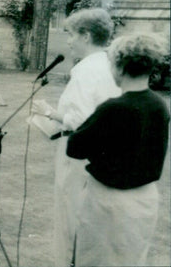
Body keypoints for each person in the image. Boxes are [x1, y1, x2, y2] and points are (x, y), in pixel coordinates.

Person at [29, 8, 122, 266]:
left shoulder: (85, 70)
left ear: (86, 36)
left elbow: (81, 119)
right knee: (89, 215)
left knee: (69, 214)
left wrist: (51, 113)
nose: (68, 40)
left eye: (70, 34)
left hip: (78, 153)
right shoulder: (110, 66)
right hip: (103, 155)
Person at [66, 33, 169, 266]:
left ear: (120, 67)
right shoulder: (159, 105)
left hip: (108, 202)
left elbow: (75, 147)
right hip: (144, 199)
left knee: (97, 260)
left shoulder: (113, 108)